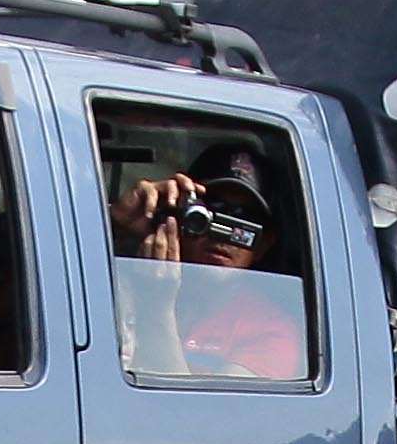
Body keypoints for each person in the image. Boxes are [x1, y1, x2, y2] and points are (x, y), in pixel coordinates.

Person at [108, 143, 309, 383]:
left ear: (264, 243)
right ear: (180, 214)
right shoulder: (127, 276)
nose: (222, 232)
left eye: (243, 219)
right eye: (210, 210)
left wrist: (156, 306)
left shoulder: (271, 330)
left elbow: (191, 406)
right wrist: (115, 228)